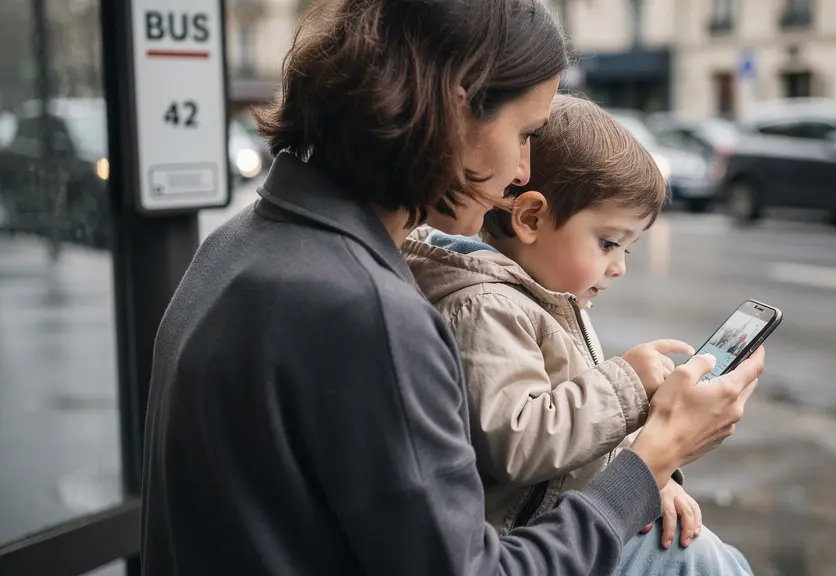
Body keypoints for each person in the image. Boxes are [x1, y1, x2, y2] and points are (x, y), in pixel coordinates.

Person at [140, 0, 764, 574]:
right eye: (524, 133)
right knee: (694, 560)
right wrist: (647, 465)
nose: (522, 170)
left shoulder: (244, 243)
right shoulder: (367, 310)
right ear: (454, 108)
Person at [403, 94, 753, 574]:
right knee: (704, 563)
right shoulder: (486, 307)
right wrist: (626, 385)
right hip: (529, 545)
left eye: (627, 248)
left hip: (564, 525)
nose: (618, 268)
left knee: (717, 557)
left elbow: (579, 438)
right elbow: (519, 442)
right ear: (530, 218)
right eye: (609, 242)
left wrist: (650, 475)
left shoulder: (547, 296)